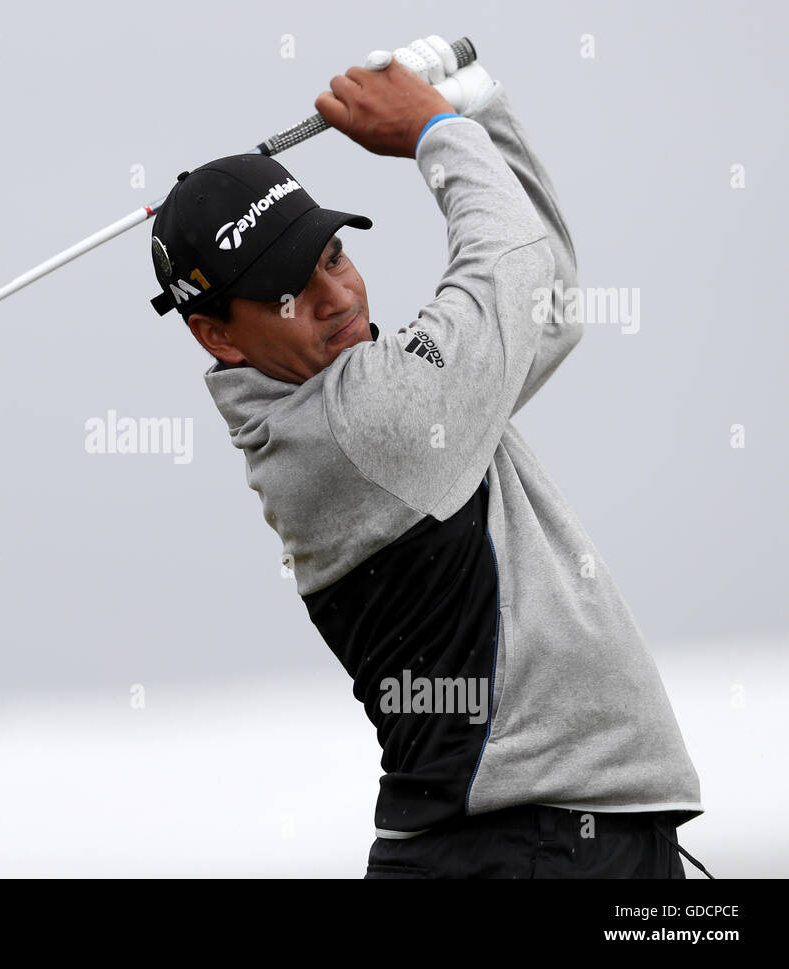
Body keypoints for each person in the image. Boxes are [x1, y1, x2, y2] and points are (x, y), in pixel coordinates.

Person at [146, 40, 707, 878]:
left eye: (332, 255)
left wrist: (478, 108)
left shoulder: (371, 394)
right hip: (518, 849)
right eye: (289, 294)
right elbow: (513, 269)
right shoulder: (362, 420)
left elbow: (542, 302)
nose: (336, 296)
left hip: (539, 843)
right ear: (216, 332)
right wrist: (436, 131)